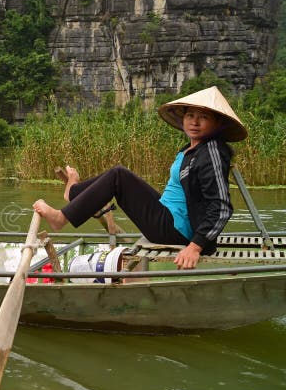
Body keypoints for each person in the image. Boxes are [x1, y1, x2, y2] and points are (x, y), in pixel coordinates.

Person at [33, 86, 247, 270]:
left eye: (204, 117)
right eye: (190, 115)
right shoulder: (192, 149)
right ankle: (73, 192)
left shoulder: (211, 152)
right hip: (169, 219)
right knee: (118, 175)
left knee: (119, 176)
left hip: (175, 231)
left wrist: (195, 246)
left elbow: (221, 206)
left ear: (217, 124)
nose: (195, 122)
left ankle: (62, 217)